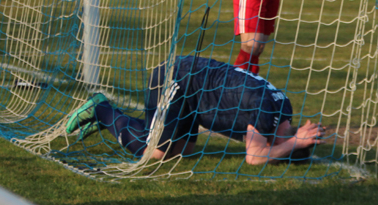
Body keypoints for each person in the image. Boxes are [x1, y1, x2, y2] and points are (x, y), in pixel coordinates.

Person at [65, 56, 325, 165]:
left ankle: (111, 119)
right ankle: (101, 109)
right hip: (177, 78)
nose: (274, 150)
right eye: (280, 152)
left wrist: (292, 141)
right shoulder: (267, 111)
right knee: (153, 152)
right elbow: (254, 157)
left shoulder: (283, 107)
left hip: (194, 91)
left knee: (181, 153)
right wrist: (294, 143)